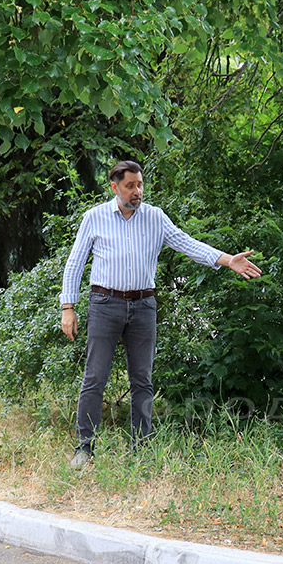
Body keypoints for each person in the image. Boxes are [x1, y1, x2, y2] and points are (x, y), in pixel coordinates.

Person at [59, 159, 261, 467]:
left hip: (143, 307)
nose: (137, 191)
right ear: (114, 187)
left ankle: (142, 451)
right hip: (104, 305)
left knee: (143, 381)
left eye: (140, 184)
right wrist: (68, 307)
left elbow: (187, 243)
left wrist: (226, 259)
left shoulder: (155, 217)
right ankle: (85, 449)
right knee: (94, 378)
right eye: (130, 186)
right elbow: (74, 264)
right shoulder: (94, 218)